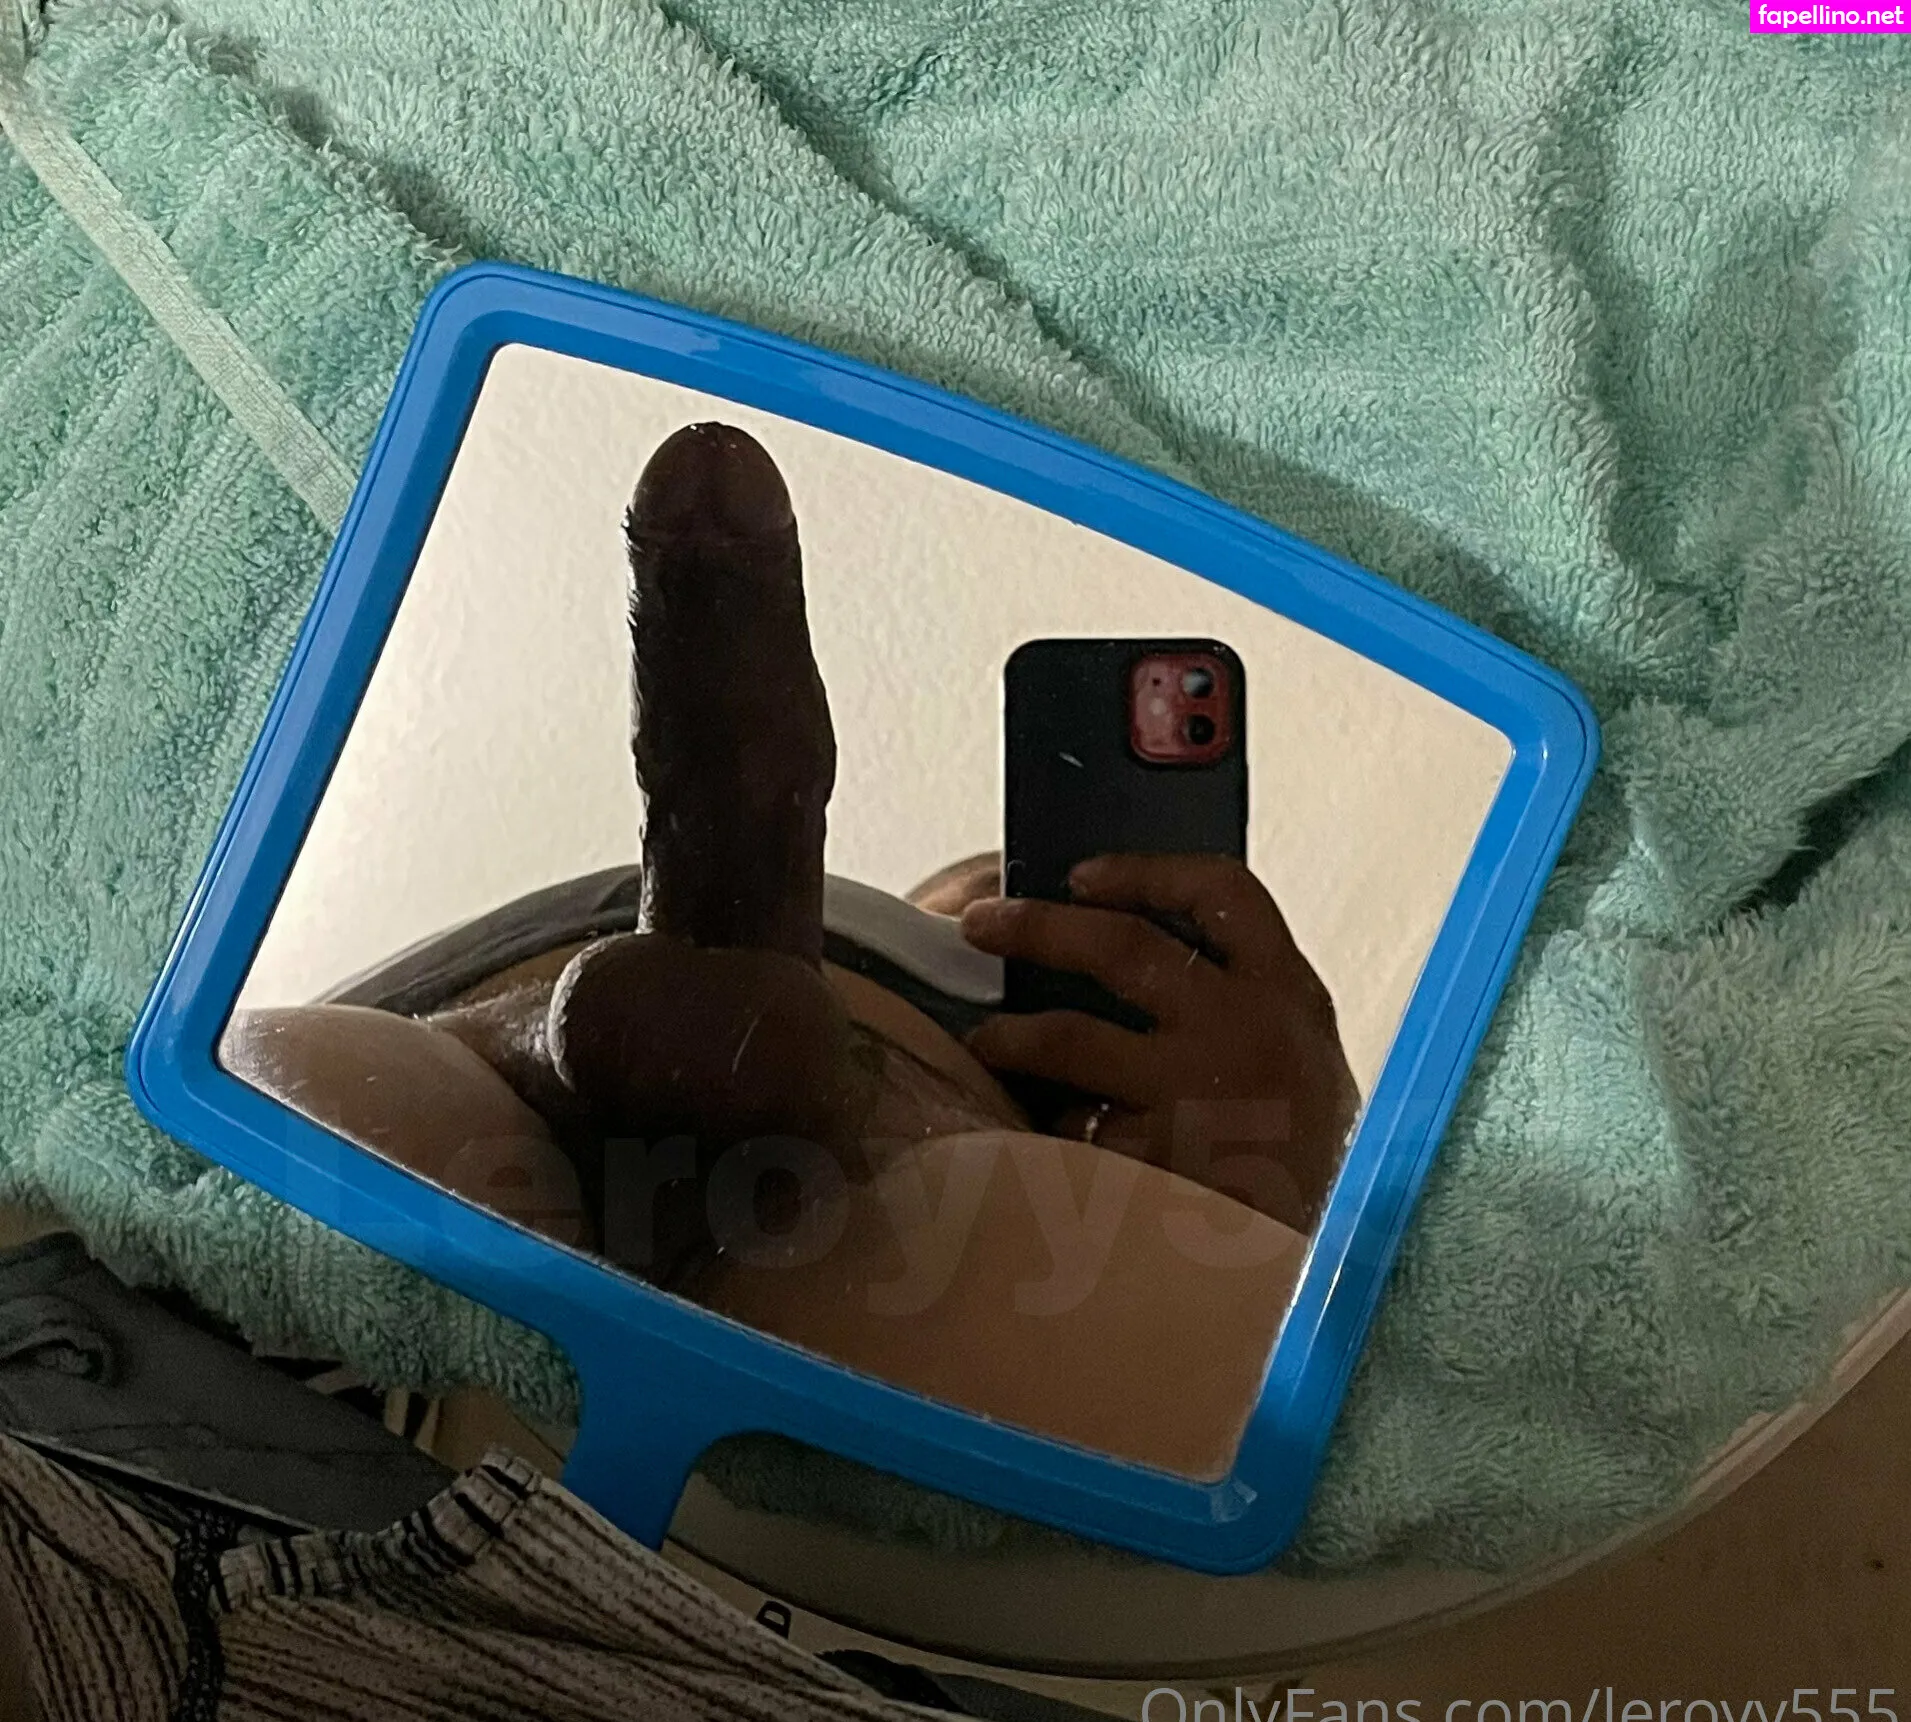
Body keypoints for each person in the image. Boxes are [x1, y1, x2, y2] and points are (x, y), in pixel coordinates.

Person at [222, 423, 1361, 1479]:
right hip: (803, 1115)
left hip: (541, 1040)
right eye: (982, 907)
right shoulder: (902, 997)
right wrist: (1277, 1210)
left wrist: (1307, 1169)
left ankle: (665, 999)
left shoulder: (1168, 1106)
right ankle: (737, 1034)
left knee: (343, 1100)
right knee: (1003, 1240)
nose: (1009, 925)